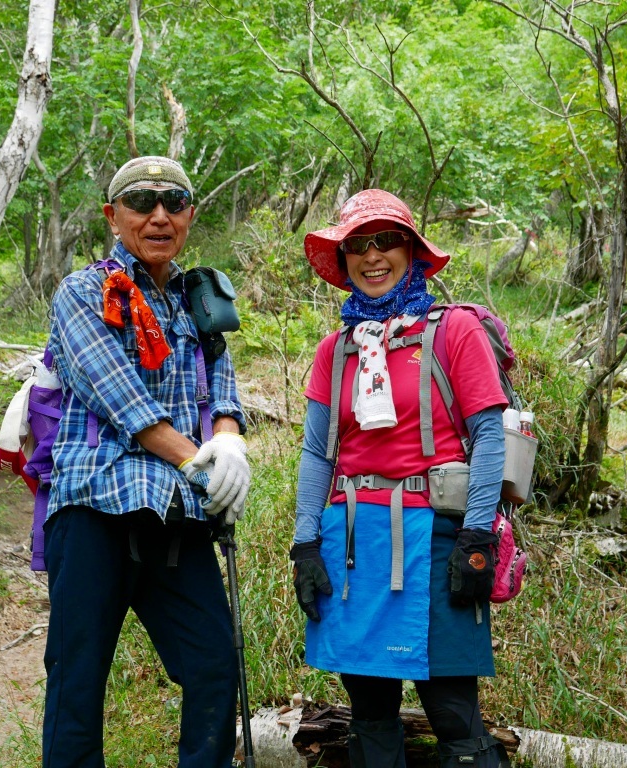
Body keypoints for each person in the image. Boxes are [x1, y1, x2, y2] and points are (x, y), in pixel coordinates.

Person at [41, 156, 249, 768]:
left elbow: (224, 385)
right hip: (95, 508)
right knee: (77, 680)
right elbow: (120, 396)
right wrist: (202, 461)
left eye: (174, 202)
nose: (159, 216)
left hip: (176, 518)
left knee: (215, 664)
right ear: (113, 215)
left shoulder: (199, 300)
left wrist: (230, 437)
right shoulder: (83, 292)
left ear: (189, 214)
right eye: (140, 202)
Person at [291, 189, 511, 767]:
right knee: (370, 716)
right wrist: (305, 542)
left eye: (386, 241)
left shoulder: (455, 330)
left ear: (412, 251)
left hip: (438, 539)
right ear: (344, 261)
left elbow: (490, 437)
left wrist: (478, 537)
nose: (372, 257)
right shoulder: (333, 351)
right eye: (358, 246)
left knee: (454, 715)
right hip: (352, 548)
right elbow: (318, 454)